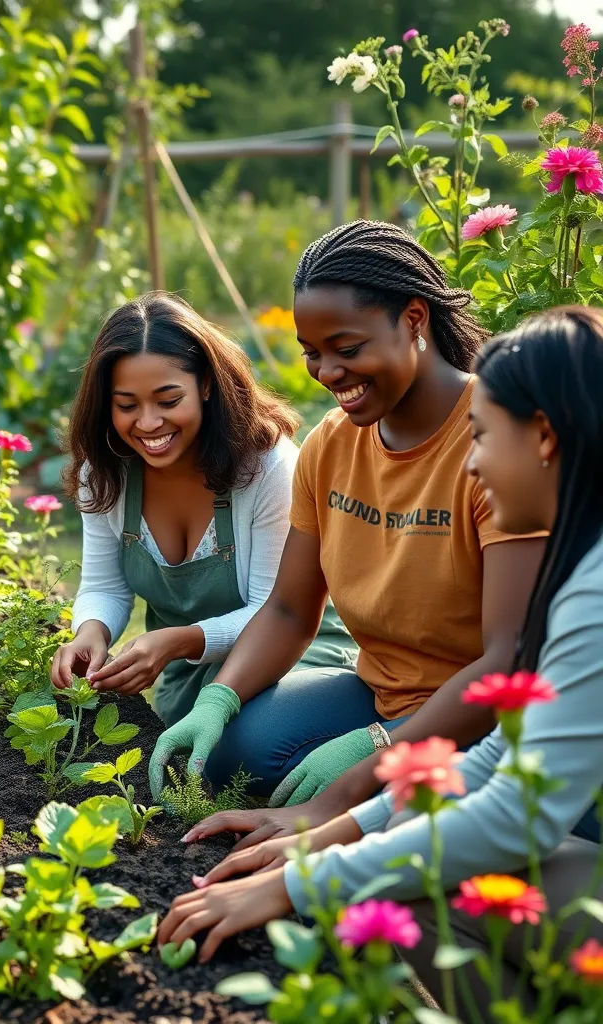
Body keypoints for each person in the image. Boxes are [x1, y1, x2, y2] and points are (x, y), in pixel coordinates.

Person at [158, 306, 603, 1017]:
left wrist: (297, 884)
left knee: (413, 882)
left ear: (545, 438)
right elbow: (494, 767)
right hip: (455, 748)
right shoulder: (582, 569)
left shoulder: (595, 594)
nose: (474, 460)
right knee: (404, 859)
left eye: (485, 438)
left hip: (546, 808)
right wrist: (335, 832)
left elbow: (518, 813)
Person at [148, 221, 544, 806]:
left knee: (437, 819)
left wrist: (382, 749)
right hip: (379, 693)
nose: (328, 372)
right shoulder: (333, 445)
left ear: (414, 320)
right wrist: (218, 698)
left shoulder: (499, 444)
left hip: (488, 714)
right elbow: (288, 610)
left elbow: (511, 655)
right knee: (233, 750)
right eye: (312, 353)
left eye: (348, 349)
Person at [51, 292, 355, 730]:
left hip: (299, 651)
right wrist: (90, 633)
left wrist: (179, 641)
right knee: (180, 743)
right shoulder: (105, 473)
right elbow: (106, 587)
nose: (149, 423)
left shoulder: (267, 467)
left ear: (206, 385)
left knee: (250, 737)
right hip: (194, 665)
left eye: (168, 400)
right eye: (127, 405)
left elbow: (276, 611)